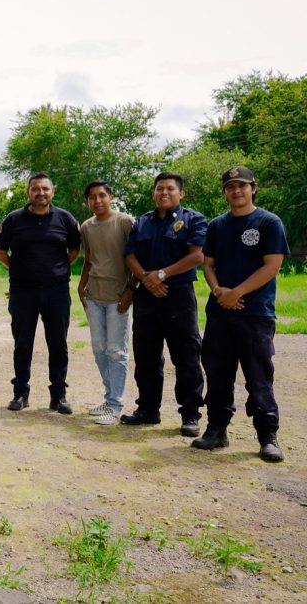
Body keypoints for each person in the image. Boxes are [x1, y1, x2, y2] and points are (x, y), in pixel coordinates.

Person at [193, 166, 289, 462]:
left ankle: (268, 436)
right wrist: (219, 290)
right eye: (230, 187)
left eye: (242, 186)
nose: (236, 191)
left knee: (258, 377)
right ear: (225, 192)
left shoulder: (269, 222)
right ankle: (217, 430)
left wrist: (237, 292)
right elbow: (208, 264)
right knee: (218, 374)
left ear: (253, 189)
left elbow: (272, 265)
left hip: (255, 314)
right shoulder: (217, 226)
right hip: (220, 313)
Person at [122, 172, 207, 436]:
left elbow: (197, 256)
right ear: (154, 193)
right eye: (160, 188)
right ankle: (148, 409)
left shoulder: (193, 219)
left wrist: (160, 275)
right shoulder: (142, 222)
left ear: (181, 193)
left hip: (178, 295)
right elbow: (129, 255)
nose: (164, 193)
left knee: (186, 357)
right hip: (147, 296)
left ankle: (190, 414)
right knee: (146, 356)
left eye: (170, 188)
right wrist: (147, 280)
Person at [77, 181, 136, 425]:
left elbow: (136, 257)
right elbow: (89, 259)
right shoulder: (86, 226)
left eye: (102, 195)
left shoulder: (125, 222)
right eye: (92, 197)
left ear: (110, 197)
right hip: (94, 295)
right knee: (99, 349)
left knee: (117, 351)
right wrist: (81, 285)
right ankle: (109, 398)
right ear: (87, 202)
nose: (98, 200)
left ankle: (115, 406)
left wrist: (130, 289)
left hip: (118, 297)